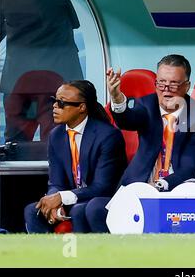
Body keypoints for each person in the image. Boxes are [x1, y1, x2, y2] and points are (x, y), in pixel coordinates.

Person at [86, 54, 195, 232]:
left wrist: (160, 185)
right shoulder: (146, 104)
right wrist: (116, 98)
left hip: (174, 191)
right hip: (137, 186)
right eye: (161, 83)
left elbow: (192, 166)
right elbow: (127, 120)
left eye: (173, 84)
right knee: (94, 208)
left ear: (187, 86)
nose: (166, 90)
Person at [24, 80, 127, 233]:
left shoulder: (107, 136)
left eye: (62, 103)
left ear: (82, 107)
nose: (54, 106)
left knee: (79, 210)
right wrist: (55, 201)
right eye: (54, 101)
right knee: (33, 210)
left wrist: (62, 197)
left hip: (101, 198)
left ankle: (85, 255)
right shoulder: (56, 135)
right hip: (74, 198)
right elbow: (56, 182)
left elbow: (102, 186)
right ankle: (44, 255)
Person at [0, 0, 83, 142]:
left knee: (15, 144)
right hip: (58, 77)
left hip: (18, 80)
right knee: (56, 141)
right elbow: (75, 22)